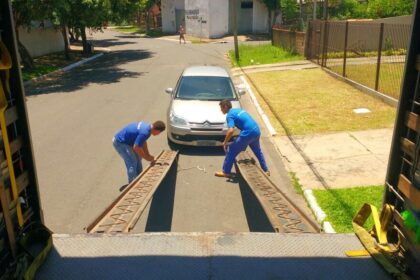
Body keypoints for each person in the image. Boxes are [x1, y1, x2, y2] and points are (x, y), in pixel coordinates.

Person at [215, 100, 269, 177]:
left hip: (248, 133)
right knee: (257, 151)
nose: (221, 110)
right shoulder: (238, 110)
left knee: (231, 150)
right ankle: (266, 170)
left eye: (221, 108)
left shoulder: (229, 115)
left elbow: (231, 130)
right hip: (256, 130)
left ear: (225, 107)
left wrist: (225, 142)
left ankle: (226, 172)